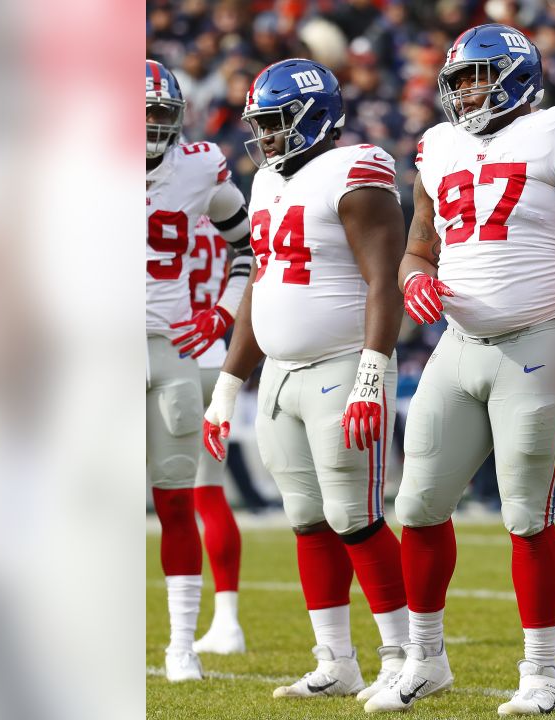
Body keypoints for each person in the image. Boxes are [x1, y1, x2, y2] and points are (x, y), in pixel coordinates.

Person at [364, 25, 555, 715]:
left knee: (527, 515)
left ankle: (541, 674)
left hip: (539, 337)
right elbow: (420, 247)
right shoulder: (439, 147)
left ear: (515, 77)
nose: (466, 90)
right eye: (460, 79)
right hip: (459, 342)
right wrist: (415, 277)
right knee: (416, 506)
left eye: (479, 76)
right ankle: (425, 658)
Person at [199, 59, 412, 704]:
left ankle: (406, 656)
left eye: (274, 120)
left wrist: (374, 370)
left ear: (314, 115)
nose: (264, 135)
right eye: (259, 123)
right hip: (282, 374)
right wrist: (228, 386)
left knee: (354, 514)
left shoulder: (353, 172)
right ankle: (336, 661)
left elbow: (385, 278)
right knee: (307, 519)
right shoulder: (265, 181)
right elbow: (261, 289)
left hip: (344, 361)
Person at [145, 59, 253, 683]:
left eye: (160, 114)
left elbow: (246, 245)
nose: (152, 126)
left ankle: (181, 646)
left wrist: (220, 315)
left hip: (171, 351)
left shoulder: (199, 167)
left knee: (178, 501)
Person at [178, 216, 249, 655]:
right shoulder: (216, 219)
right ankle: (227, 622)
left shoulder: (155, 205)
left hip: (167, 357)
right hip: (215, 357)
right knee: (209, 494)